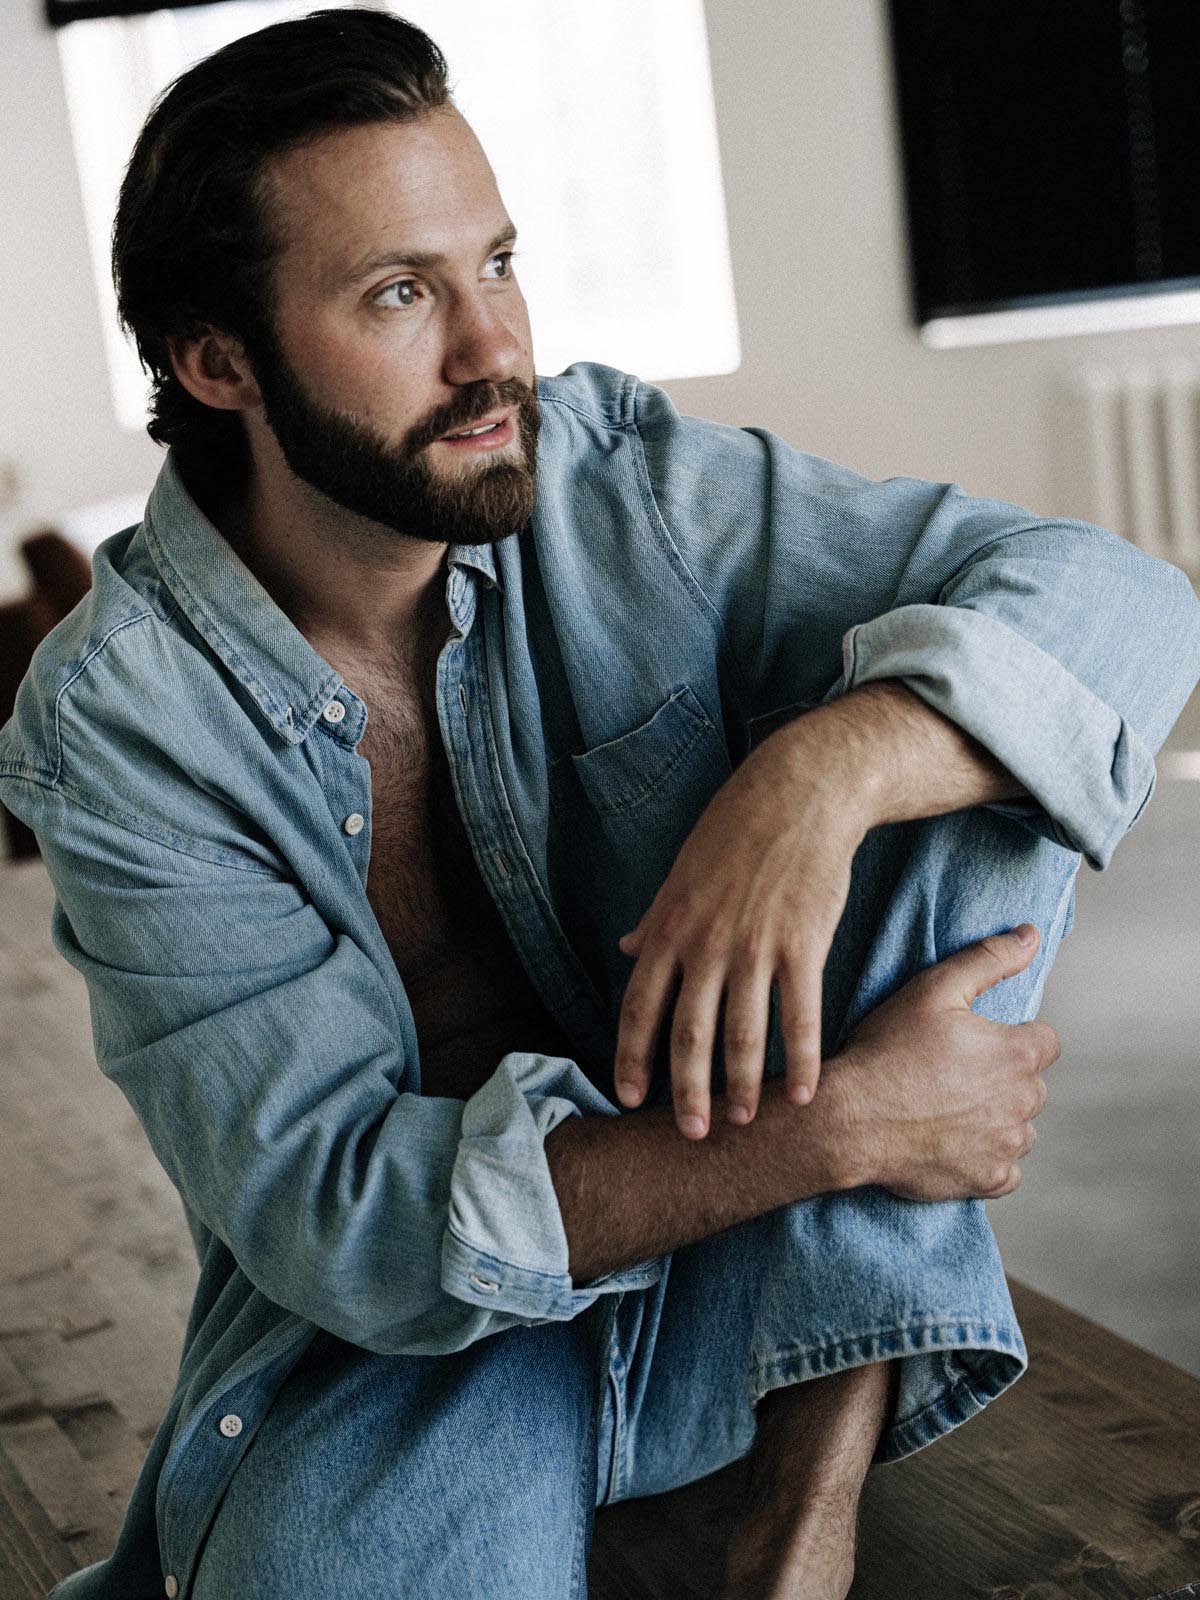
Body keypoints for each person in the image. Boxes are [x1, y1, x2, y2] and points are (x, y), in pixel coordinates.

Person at [2, 9, 1197, 1599]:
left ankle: (804, 1519)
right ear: (217, 361)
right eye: (400, 294)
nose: (492, 349)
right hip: (435, 1340)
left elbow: (1122, 601)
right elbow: (342, 1223)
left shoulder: (614, 478)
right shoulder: (119, 726)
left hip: (763, 1281)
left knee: (969, 742)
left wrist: (817, 777)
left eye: (495, 264)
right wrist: (853, 1120)